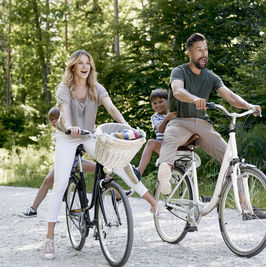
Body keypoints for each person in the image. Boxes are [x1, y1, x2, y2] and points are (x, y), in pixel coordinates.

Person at [41, 50, 158, 260]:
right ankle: (49, 239)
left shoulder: (96, 88)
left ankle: (152, 201)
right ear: (73, 67)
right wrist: (69, 127)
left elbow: (112, 109)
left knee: (119, 161)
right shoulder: (64, 89)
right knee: (59, 184)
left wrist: (129, 127)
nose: (85, 66)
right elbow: (65, 112)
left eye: (88, 63)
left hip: (88, 134)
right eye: (80, 63)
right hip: (67, 136)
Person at [157, 33, 265, 220]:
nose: (204, 53)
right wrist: (194, 99)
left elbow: (230, 96)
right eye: (199, 50)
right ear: (189, 53)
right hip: (180, 120)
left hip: (203, 124)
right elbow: (177, 91)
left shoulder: (210, 76)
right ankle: (165, 173)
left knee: (232, 160)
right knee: (171, 136)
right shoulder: (179, 71)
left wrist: (248, 106)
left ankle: (246, 207)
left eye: (205, 49)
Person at [19, 107, 98, 218]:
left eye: (56, 118)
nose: (54, 121)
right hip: (63, 162)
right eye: (51, 119)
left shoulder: (73, 127)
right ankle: (33, 209)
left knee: (100, 168)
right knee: (47, 181)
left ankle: (118, 194)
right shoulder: (55, 133)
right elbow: (57, 139)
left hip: (77, 161)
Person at [137, 89, 176, 176]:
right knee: (151, 142)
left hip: (177, 143)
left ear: (167, 101)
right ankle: (139, 172)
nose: (158, 105)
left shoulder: (174, 112)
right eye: (154, 103)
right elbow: (160, 129)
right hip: (164, 146)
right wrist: (167, 119)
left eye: (161, 101)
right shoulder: (155, 117)